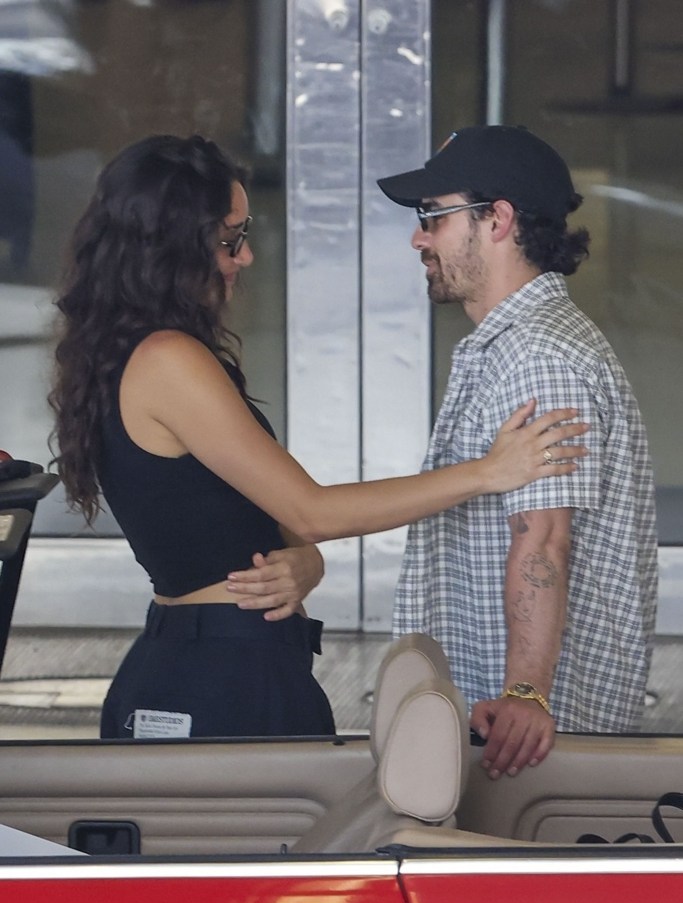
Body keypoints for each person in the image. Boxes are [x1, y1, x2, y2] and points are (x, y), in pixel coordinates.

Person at [48, 132, 588, 741]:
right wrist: (489, 471)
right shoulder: (166, 360)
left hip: (226, 658)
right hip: (216, 675)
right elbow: (313, 512)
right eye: (229, 239)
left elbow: (254, 518)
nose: (246, 257)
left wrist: (305, 562)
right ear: (170, 245)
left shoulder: (144, 353)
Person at [376, 124, 658, 779]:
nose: (419, 238)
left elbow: (544, 539)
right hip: (512, 724)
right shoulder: (517, 343)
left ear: (497, 220)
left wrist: (525, 692)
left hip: (524, 736)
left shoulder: (538, 357)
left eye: (433, 216)